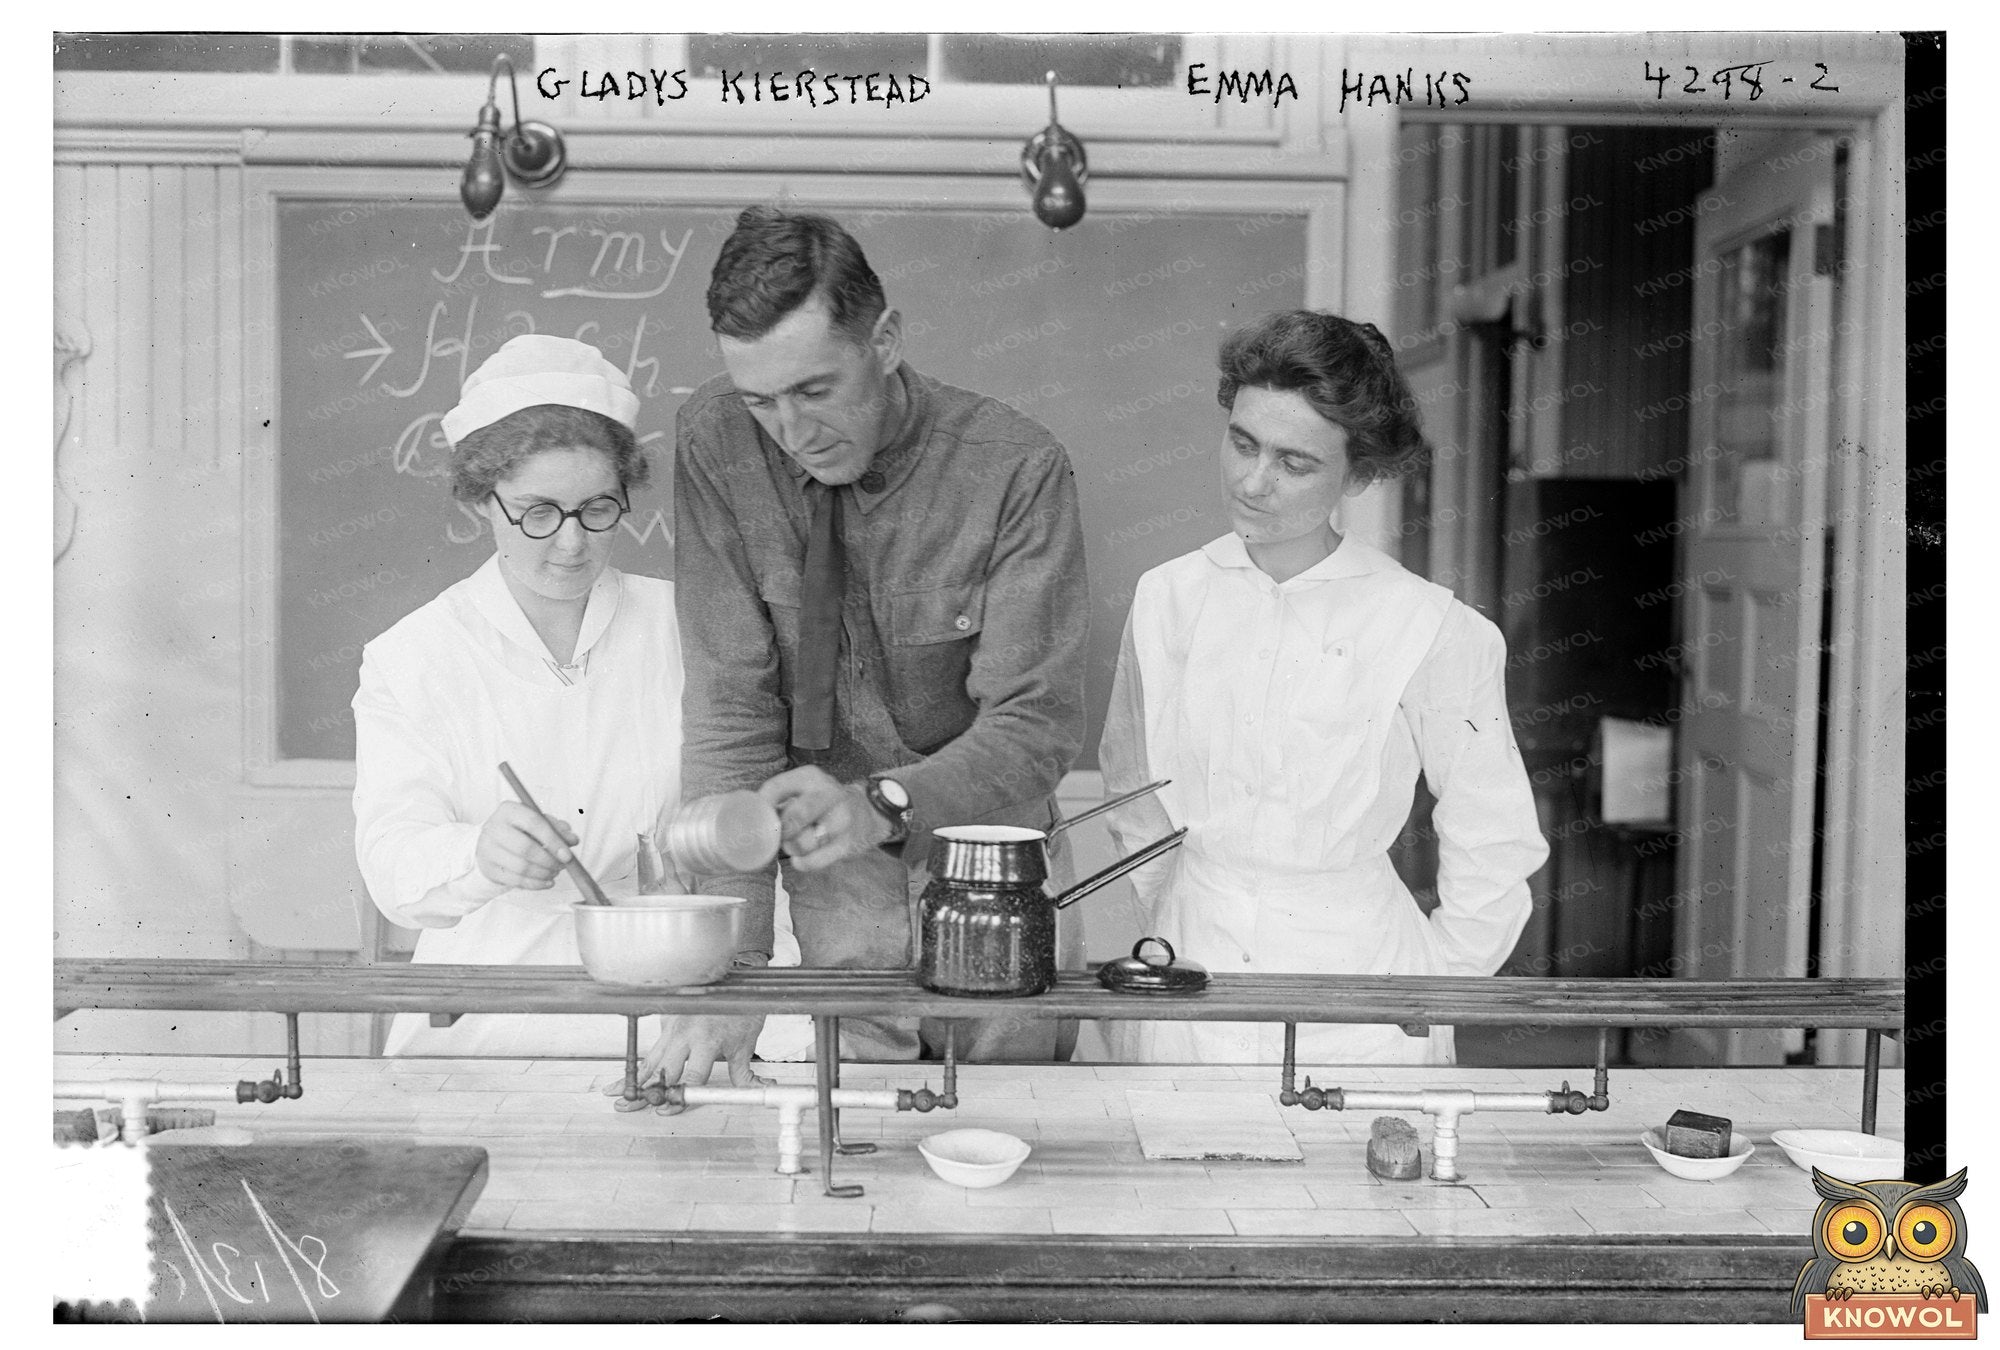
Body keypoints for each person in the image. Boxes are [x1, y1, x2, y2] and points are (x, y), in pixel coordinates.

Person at [646, 205, 1091, 1079]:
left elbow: (1035, 726)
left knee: (1012, 1142)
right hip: (832, 884)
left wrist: (881, 804)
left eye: (815, 391)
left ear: (884, 340)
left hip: (992, 873)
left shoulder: (1017, 467)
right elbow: (731, 705)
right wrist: (732, 972)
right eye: (760, 401)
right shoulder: (715, 444)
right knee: (846, 1145)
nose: (792, 432)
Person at [1096, 310, 1549, 1065]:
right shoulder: (1169, 598)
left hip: (1366, 994)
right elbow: (1133, 791)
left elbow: (1493, 836)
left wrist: (1439, 987)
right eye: (1242, 443)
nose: (1253, 481)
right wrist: (1182, 908)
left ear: (1360, 473)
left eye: (1295, 463)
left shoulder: (1427, 625)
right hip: (1191, 974)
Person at [352, 334, 789, 1077]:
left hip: (677, 987)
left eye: (596, 509)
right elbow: (393, 868)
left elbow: (745, 808)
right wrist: (479, 854)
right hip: (496, 1004)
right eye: (536, 513)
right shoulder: (413, 657)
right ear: (480, 501)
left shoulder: (688, 625)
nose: (570, 543)